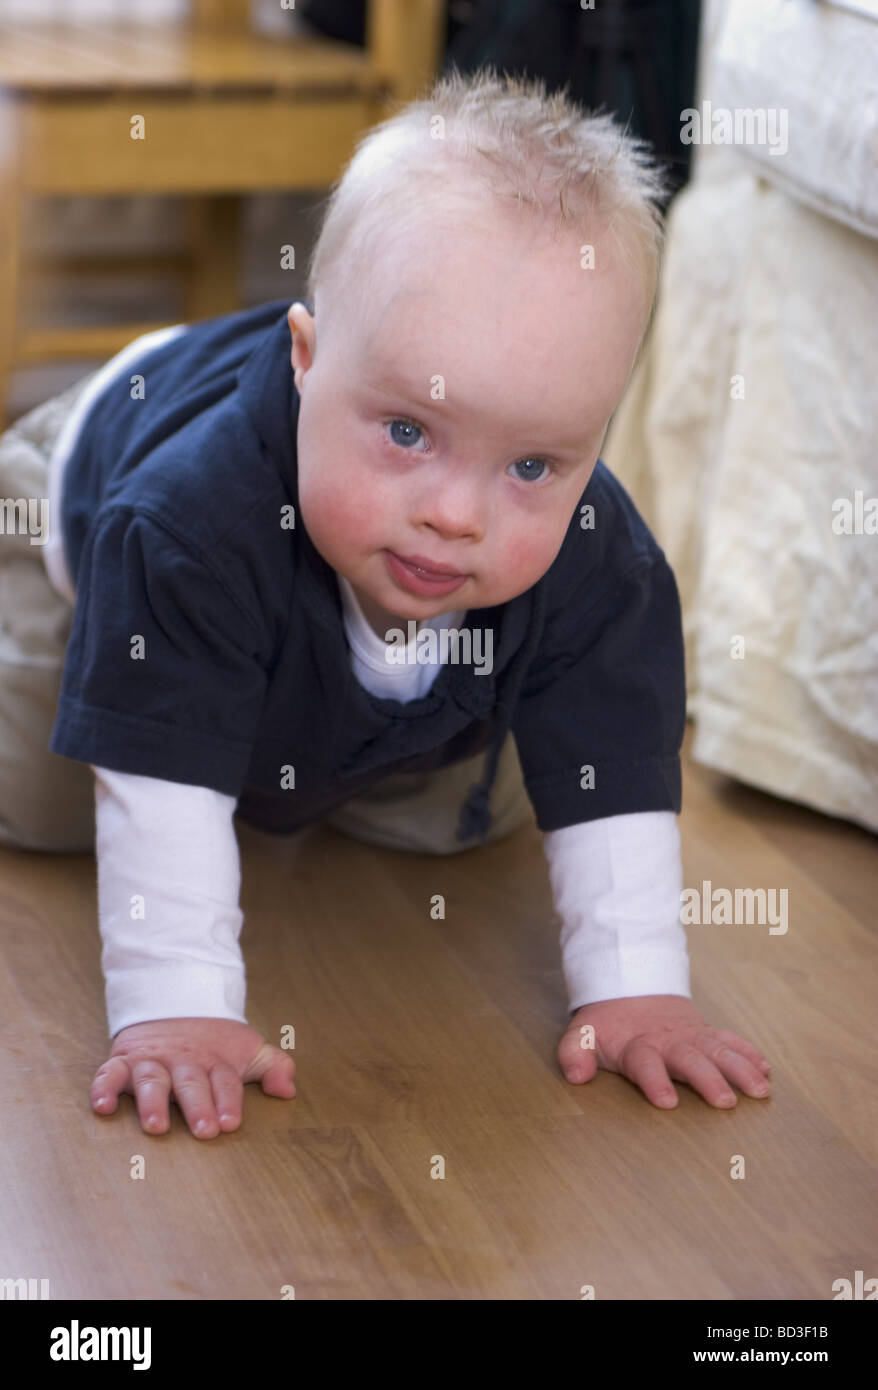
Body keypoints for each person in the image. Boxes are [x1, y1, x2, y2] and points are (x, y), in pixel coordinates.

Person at [0, 68, 771, 1140]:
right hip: (83, 519)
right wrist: (179, 1006)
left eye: (535, 465)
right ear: (308, 363)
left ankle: (319, 743)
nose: (455, 516)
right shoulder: (188, 524)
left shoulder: (599, 551)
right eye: (407, 431)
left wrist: (637, 983)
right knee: (46, 794)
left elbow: (609, 754)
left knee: (474, 817)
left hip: (340, 663)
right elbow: (158, 767)